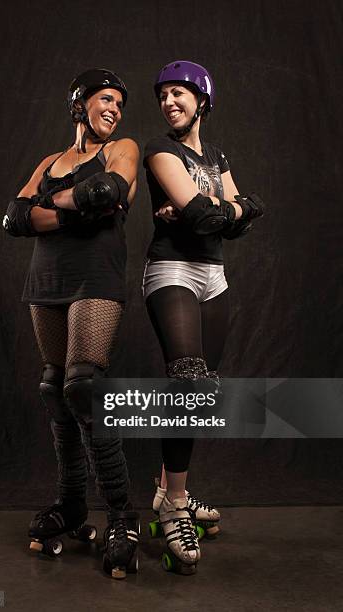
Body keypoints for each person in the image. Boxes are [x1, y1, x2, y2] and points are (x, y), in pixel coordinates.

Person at [3, 68, 140, 579]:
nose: (115, 110)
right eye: (106, 99)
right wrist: (76, 206)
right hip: (47, 280)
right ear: (80, 103)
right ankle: (73, 504)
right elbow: (15, 218)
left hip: (95, 279)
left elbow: (108, 192)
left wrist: (53, 205)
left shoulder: (123, 147)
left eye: (119, 104)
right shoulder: (51, 161)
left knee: (85, 385)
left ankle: (122, 516)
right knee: (55, 387)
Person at [142, 60, 264, 574]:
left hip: (215, 277)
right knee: (187, 381)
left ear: (202, 101)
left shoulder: (215, 155)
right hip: (171, 270)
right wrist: (231, 207)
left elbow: (224, 220)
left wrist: (220, 208)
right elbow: (216, 215)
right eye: (164, 95)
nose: (170, 101)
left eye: (179, 93)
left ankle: (171, 491)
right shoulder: (159, 151)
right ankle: (172, 507)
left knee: (201, 392)